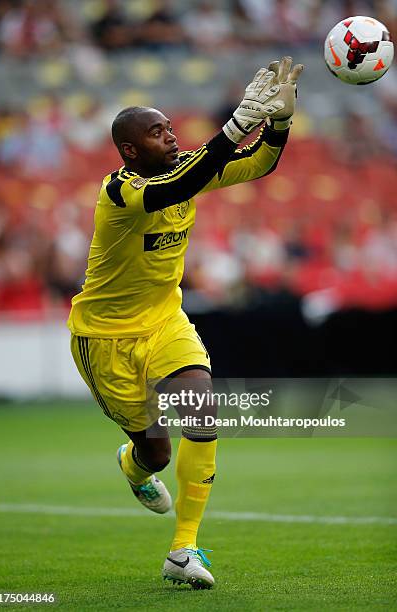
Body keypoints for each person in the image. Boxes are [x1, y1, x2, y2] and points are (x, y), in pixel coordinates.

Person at [67, 56, 303, 589]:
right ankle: (134, 464)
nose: (170, 137)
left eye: (171, 128)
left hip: (165, 321)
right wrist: (236, 124)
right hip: (104, 337)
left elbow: (257, 165)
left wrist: (280, 123)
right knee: (156, 451)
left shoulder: (187, 171)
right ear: (130, 150)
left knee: (201, 405)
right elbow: (175, 189)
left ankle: (183, 549)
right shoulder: (119, 192)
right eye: (156, 133)